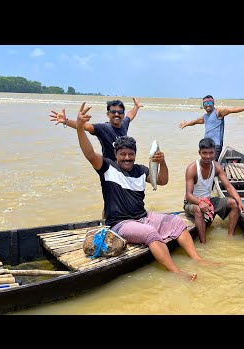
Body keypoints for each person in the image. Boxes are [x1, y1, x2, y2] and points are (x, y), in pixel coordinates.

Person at [75, 102, 206, 281]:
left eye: (131, 154)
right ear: (116, 155)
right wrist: (80, 128)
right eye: (123, 154)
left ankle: (198, 259)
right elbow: (89, 153)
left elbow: (162, 181)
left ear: (135, 154)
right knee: (149, 233)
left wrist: (163, 163)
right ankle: (176, 273)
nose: (127, 158)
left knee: (176, 221)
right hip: (120, 224)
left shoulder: (141, 170)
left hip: (143, 216)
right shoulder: (107, 167)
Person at [184, 138, 244, 244]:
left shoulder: (217, 167)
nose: (208, 156)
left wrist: (240, 201)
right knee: (198, 210)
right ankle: (203, 243)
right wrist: (200, 202)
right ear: (199, 153)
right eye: (204, 153)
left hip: (209, 200)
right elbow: (188, 195)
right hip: (193, 202)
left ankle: (230, 238)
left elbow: (228, 187)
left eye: (211, 153)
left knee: (235, 204)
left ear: (214, 152)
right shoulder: (192, 168)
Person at [49, 97, 142, 161]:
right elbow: (86, 126)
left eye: (120, 112)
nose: (117, 114)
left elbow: (131, 115)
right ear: (108, 114)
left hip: (123, 165)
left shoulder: (124, 124)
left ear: (123, 114)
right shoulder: (104, 128)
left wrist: (136, 107)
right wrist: (66, 121)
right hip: (109, 168)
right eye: (113, 112)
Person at [179, 95, 244, 161]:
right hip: (206, 145)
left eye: (209, 103)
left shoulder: (218, 112)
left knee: (212, 164)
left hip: (216, 145)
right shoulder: (205, 117)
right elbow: (195, 121)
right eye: (205, 103)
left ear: (213, 103)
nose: (207, 105)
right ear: (203, 105)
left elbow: (231, 110)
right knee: (207, 165)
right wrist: (186, 124)